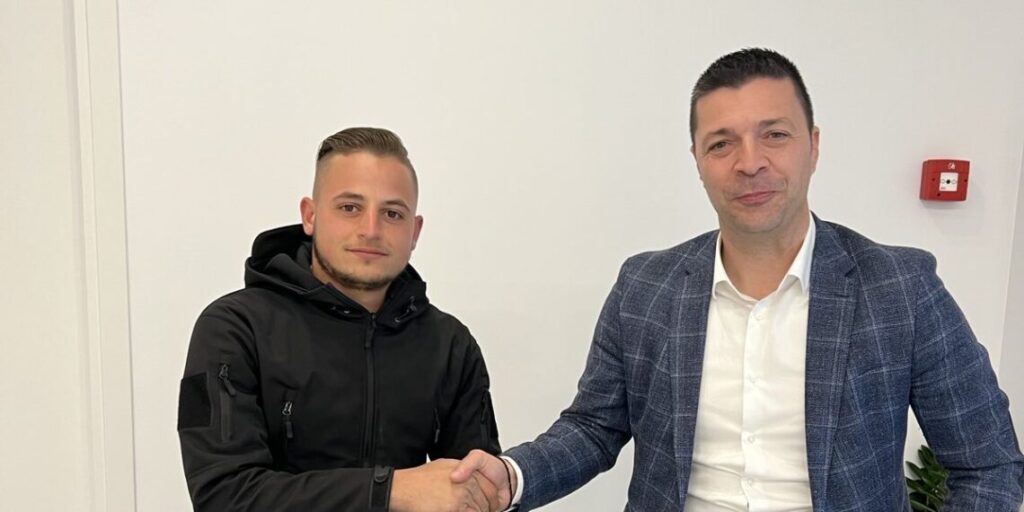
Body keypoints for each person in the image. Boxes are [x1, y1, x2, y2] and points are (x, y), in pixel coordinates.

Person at [451, 48, 1024, 511]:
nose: (749, 162)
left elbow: (988, 464)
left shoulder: (900, 287)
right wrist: (512, 476)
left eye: (774, 134)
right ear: (698, 162)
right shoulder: (645, 286)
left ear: (813, 146)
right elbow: (594, 427)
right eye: (721, 143)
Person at [177, 127, 502, 511]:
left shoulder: (450, 345)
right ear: (310, 216)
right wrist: (389, 491)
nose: (370, 230)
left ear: (414, 232)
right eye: (350, 207)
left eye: (392, 213)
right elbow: (221, 496)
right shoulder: (232, 329)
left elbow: (477, 492)